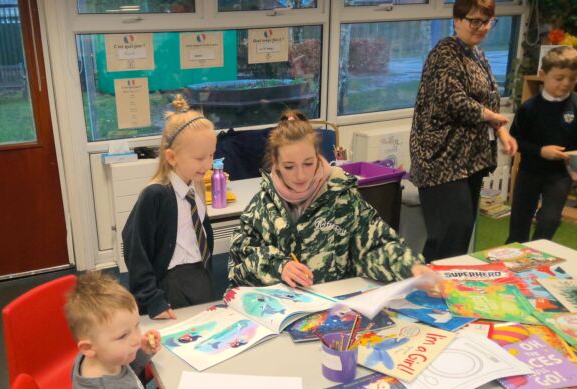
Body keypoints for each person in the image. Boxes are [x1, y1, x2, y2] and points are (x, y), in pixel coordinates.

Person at [228, 110, 436, 289]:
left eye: (308, 163)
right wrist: (279, 266)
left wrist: (410, 267)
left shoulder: (342, 198)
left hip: (334, 306)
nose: (300, 175)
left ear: (318, 157)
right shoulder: (263, 206)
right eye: (289, 167)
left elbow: (374, 245)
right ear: (276, 163)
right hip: (282, 310)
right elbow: (239, 263)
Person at [409, 0, 517, 262]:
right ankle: (426, 282)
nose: (482, 27)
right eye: (474, 21)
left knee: (461, 233)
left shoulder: (478, 54)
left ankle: (446, 282)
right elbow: (452, 99)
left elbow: (490, 98)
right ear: (457, 20)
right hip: (441, 161)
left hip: (470, 161)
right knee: (449, 234)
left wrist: (502, 132)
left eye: (487, 21)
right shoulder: (444, 53)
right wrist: (489, 116)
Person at [66, 271, 184, 389]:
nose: (136, 338)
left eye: (136, 325)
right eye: (123, 335)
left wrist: (142, 351)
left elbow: (126, 373)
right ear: (88, 348)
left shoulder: (101, 360)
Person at [122, 95, 216, 320]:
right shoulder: (155, 195)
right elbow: (136, 250)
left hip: (198, 275)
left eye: (211, 155)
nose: (208, 164)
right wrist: (151, 298)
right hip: (169, 285)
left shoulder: (195, 185)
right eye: (200, 158)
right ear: (172, 157)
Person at [506, 46, 577, 244]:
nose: (566, 83)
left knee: (550, 219)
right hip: (530, 171)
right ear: (543, 75)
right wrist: (540, 151)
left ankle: (538, 251)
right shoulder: (529, 108)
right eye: (559, 78)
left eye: (572, 79)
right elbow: (515, 140)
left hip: (560, 175)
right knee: (520, 220)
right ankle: (514, 252)